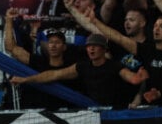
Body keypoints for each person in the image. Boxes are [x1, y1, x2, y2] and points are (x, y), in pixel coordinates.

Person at [10, 34, 149, 107]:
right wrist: (25, 80)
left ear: (104, 49)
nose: (92, 49)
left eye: (95, 46)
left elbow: (130, 77)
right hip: (90, 110)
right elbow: (54, 75)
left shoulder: (114, 65)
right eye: (89, 46)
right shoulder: (82, 66)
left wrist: (137, 78)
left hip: (113, 110)